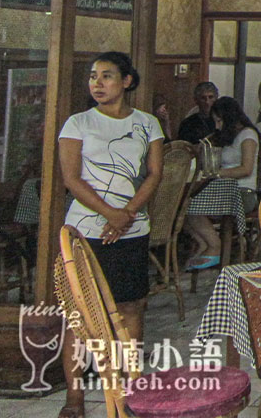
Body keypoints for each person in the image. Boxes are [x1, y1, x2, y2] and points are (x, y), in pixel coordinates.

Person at [58, 51, 164, 418]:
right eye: (93, 77)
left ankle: (127, 388)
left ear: (127, 82)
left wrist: (128, 214)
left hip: (133, 229)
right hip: (86, 230)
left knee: (131, 305)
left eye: (106, 76)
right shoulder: (78, 123)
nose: (97, 84)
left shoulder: (147, 123)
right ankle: (74, 400)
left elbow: (153, 174)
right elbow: (71, 178)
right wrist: (111, 214)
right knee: (79, 314)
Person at [184, 96, 259, 271]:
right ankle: (206, 243)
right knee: (183, 204)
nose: (217, 126)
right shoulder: (227, 137)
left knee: (191, 203)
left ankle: (214, 244)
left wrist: (215, 173)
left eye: (219, 121)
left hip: (242, 192)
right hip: (222, 189)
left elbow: (245, 169)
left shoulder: (248, 135)